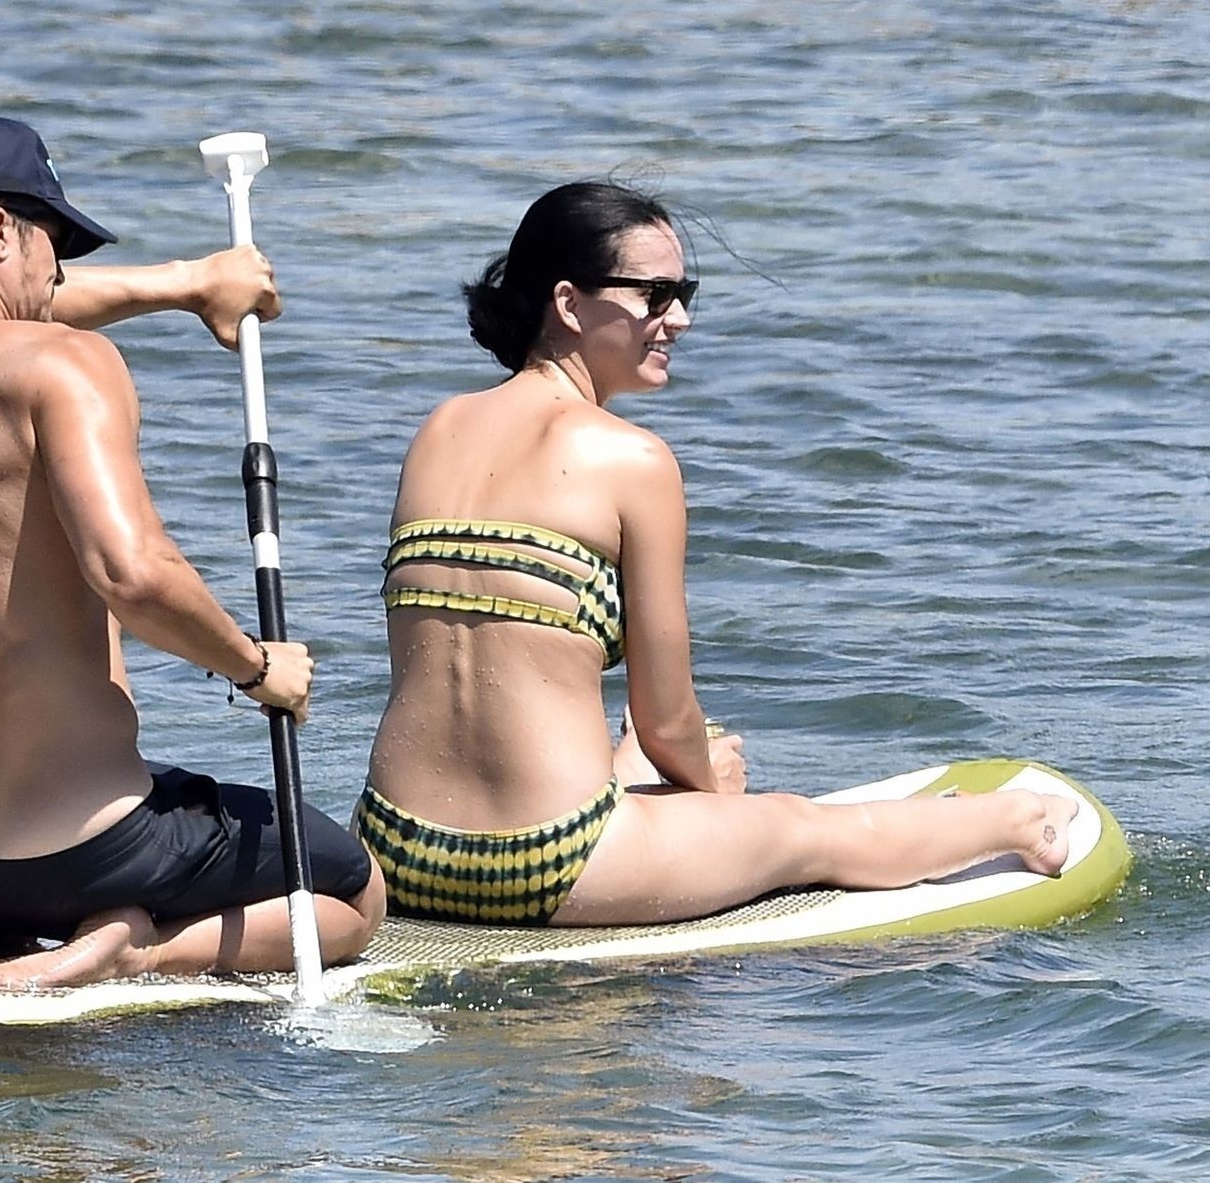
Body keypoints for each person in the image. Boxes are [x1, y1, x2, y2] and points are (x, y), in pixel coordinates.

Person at [355, 181, 1075, 927]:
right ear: (568, 303)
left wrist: (639, 769)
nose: (680, 319)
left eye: (684, 293)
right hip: (551, 863)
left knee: (640, 763)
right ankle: (1019, 821)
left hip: (393, 850)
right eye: (655, 295)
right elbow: (666, 719)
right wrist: (711, 790)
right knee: (801, 829)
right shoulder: (632, 458)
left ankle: (624, 781)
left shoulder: (440, 428)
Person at [0, 114, 383, 987]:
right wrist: (259, 668)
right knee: (351, 892)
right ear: (0, 229)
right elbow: (133, 576)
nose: (59, 274)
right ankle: (128, 951)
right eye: (55, 242)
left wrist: (192, 284)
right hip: (88, 849)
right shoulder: (68, 365)